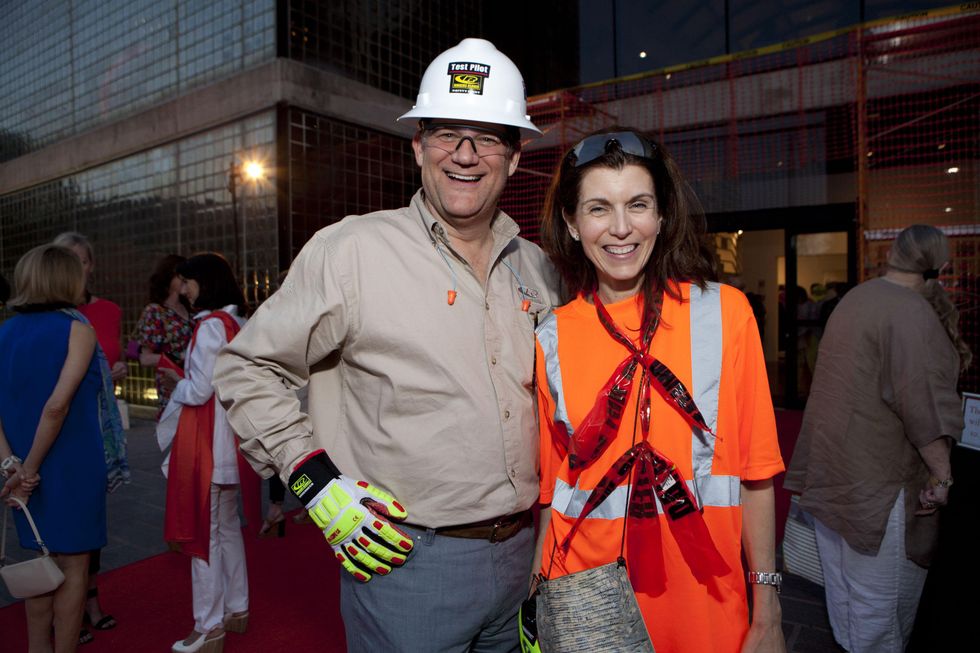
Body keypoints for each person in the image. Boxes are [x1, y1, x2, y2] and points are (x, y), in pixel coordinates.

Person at [213, 38, 562, 651]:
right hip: (406, 564)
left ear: (513, 158)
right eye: (447, 132)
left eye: (487, 136)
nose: (465, 154)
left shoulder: (537, 269)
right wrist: (313, 482)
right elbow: (247, 367)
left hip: (524, 558)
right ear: (418, 147)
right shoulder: (351, 251)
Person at [533, 129, 786, 652]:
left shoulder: (725, 312)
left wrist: (768, 605)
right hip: (584, 595)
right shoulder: (551, 336)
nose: (621, 228)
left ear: (663, 215)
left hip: (706, 598)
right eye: (598, 208)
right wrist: (540, 596)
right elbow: (550, 488)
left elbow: (756, 471)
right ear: (572, 224)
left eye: (638, 205)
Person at [784, 224, 970, 653]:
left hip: (833, 475)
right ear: (939, 264)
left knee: (846, 601)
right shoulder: (910, 312)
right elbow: (922, 407)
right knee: (879, 614)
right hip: (879, 489)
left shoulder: (858, 296)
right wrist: (941, 478)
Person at [0, 244, 111, 653]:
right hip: (71, 465)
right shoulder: (78, 329)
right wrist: (27, 471)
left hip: (22, 472)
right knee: (73, 567)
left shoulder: (3, 333)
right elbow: (57, 407)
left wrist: (13, 467)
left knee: (37, 567)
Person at [161, 253, 255, 653]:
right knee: (228, 531)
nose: (184, 289)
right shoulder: (240, 323)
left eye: (188, 281)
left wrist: (174, 381)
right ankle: (237, 609)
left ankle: (208, 625)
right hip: (234, 444)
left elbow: (199, 390)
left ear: (205, 282)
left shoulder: (211, 326)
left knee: (205, 537)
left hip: (210, 448)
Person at [52, 231, 127, 644]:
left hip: (100, 430)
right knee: (60, 526)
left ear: (91, 265)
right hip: (62, 428)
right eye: (66, 259)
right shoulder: (53, 317)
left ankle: (88, 603)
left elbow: (112, 362)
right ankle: (64, 610)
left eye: (81, 260)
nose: (75, 267)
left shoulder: (109, 311)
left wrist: (114, 373)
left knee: (90, 523)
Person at [134, 254, 194, 416]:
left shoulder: (192, 308)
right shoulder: (155, 311)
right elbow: (145, 358)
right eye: (180, 276)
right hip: (171, 384)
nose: (185, 280)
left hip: (194, 382)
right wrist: (180, 356)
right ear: (168, 278)